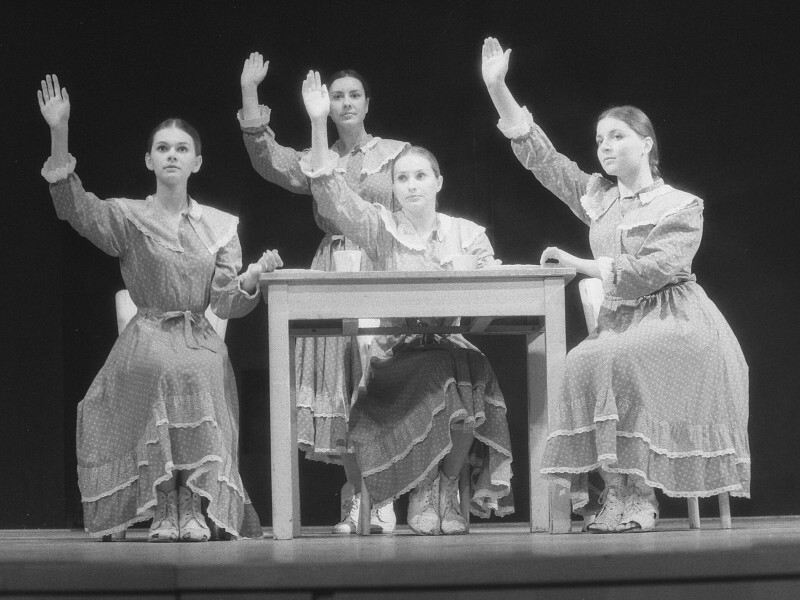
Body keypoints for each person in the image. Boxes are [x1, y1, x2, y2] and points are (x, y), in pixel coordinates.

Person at [480, 37, 750, 532]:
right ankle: (619, 490)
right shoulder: (598, 197)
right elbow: (543, 159)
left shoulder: (681, 205)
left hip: (678, 318)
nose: (605, 146)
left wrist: (583, 264)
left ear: (646, 143)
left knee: (620, 357)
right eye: (600, 138)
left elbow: (656, 268)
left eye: (617, 136)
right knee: (582, 361)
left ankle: (642, 495)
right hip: (619, 321)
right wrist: (498, 88)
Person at [38, 74, 283, 542]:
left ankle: (191, 502)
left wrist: (251, 277)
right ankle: (165, 502)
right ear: (149, 159)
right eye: (163, 148)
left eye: (181, 148)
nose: (172, 155)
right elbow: (75, 208)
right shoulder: (129, 217)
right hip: (147, 334)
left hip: (197, 336)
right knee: (160, 365)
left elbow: (224, 302)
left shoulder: (218, 226)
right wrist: (59, 131)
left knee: (197, 367)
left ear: (197, 162)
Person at [298, 71, 514, 535]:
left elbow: (493, 289)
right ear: (392, 187)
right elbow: (333, 198)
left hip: (451, 343)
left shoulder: (465, 233)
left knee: (466, 369)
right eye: (402, 178)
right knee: (449, 371)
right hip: (393, 350)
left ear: (438, 181)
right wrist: (318, 123)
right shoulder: (381, 228)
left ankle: (442, 489)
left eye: (420, 176)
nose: (412, 185)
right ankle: (420, 489)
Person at [238, 53, 408, 534]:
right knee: (342, 383)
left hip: (380, 262)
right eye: (337, 96)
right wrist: (250, 91)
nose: (346, 102)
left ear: (368, 103)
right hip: (334, 266)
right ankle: (357, 495)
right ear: (326, 106)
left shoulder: (396, 153)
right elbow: (268, 159)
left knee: (380, 377)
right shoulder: (319, 157)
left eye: (354, 95)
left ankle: (385, 494)